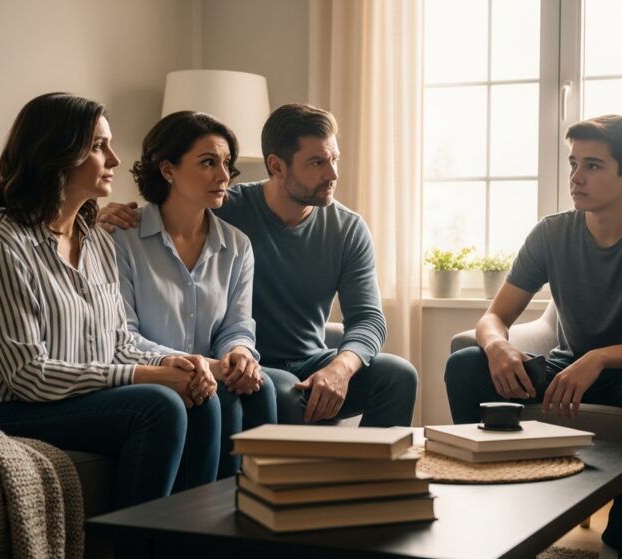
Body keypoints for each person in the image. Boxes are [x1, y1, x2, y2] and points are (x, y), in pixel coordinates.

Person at [0, 92, 221, 512]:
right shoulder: (2, 241)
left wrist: (178, 362)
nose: (114, 159)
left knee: (202, 397)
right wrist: (144, 377)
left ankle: (191, 545)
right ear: (56, 154)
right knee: (158, 405)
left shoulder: (95, 240)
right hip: (0, 406)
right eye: (97, 146)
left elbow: (118, 341)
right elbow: (28, 375)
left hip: (69, 399)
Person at [443, 115, 622, 558]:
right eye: (573, 163)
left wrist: (599, 357)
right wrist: (498, 345)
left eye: (593, 166)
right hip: (568, 365)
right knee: (465, 364)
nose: (575, 177)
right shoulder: (551, 232)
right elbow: (494, 317)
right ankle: (497, 513)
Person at [100, 104, 417, 427]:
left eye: (334, 159)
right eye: (317, 162)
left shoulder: (347, 228)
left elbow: (368, 318)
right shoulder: (224, 209)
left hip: (308, 359)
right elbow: (172, 213)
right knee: (281, 391)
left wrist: (340, 368)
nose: (332, 174)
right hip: (243, 365)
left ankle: (373, 476)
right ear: (277, 166)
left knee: (398, 376)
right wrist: (101, 216)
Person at [112, 111, 277, 478]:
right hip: (150, 373)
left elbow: (236, 324)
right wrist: (203, 365)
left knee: (258, 387)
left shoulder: (236, 245)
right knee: (219, 396)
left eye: (226, 164)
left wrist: (238, 354)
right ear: (168, 169)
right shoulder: (121, 238)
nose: (224, 176)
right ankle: (201, 524)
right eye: (208, 163)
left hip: (210, 370)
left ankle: (257, 517)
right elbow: (123, 334)